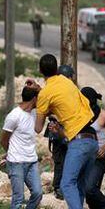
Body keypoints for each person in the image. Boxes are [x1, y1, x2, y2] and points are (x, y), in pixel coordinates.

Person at [27, 54, 98, 209]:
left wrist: (35, 104)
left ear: (40, 70)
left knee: (67, 184)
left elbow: (38, 128)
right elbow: (57, 97)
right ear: (57, 68)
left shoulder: (45, 94)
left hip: (78, 141)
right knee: (79, 185)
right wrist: (40, 92)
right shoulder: (66, 82)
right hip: (93, 140)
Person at [0, 86, 43, 209]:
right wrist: (10, 154)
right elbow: (3, 139)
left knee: (38, 193)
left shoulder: (33, 113)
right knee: (18, 198)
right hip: (16, 162)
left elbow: (46, 99)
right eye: (38, 97)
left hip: (31, 161)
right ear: (34, 99)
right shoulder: (14, 116)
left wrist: (38, 88)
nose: (41, 101)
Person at [46, 65, 76, 200]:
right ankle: (58, 187)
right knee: (60, 161)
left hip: (68, 129)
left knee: (69, 160)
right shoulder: (57, 90)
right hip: (58, 130)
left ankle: (65, 186)